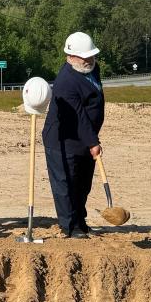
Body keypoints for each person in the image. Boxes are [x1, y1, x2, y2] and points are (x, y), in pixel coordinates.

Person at [42, 31, 105, 239]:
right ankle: (69, 226)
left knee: (83, 183)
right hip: (62, 139)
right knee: (66, 183)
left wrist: (91, 139)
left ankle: (80, 220)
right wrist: (93, 142)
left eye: (91, 56)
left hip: (84, 138)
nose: (89, 60)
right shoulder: (65, 82)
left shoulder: (92, 70)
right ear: (70, 57)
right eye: (84, 57)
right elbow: (78, 116)